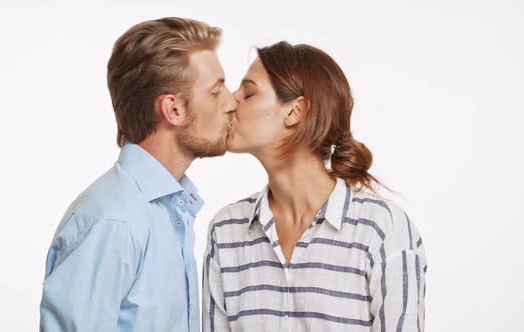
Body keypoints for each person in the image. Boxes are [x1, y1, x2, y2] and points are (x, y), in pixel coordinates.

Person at [203, 41, 427, 331]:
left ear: (295, 111)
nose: (232, 102)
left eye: (248, 93)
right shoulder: (226, 231)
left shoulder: (382, 229)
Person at [39, 17, 237, 331]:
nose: (231, 101)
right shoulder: (114, 221)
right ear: (173, 110)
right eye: (216, 91)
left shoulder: (169, 211)